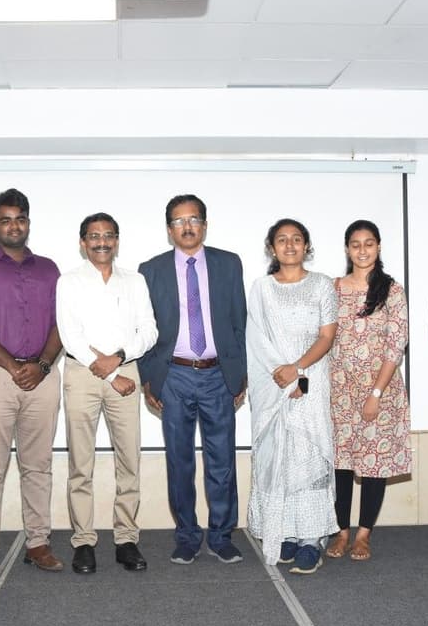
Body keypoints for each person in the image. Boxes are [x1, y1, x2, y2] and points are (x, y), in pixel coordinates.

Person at [0, 189, 65, 580]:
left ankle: (38, 542)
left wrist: (40, 364)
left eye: (20, 218)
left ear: (28, 222)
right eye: (5, 220)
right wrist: (11, 365)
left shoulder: (49, 269)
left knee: (38, 465)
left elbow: (61, 325)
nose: (13, 225)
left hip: (42, 376)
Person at [139, 194, 248, 565]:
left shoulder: (228, 264)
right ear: (169, 229)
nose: (187, 227)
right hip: (174, 376)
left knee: (222, 461)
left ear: (205, 223)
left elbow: (238, 321)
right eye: (178, 221)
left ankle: (221, 536)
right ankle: (186, 537)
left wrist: (239, 375)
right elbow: (146, 329)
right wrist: (148, 379)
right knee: (179, 461)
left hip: (218, 374)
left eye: (194, 219)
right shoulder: (150, 270)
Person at [56, 213, 158, 574]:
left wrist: (119, 359)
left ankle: (126, 539)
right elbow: (70, 335)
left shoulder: (135, 280)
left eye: (109, 235)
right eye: (94, 236)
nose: (102, 241)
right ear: (82, 242)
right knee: (80, 464)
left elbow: (149, 330)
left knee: (128, 460)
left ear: (117, 240)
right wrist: (110, 371)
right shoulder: (68, 281)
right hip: (82, 372)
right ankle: (83, 541)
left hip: (126, 369)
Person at [246, 219, 338, 573]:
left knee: (309, 456)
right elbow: (256, 339)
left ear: (306, 246)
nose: (289, 246)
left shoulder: (321, 285)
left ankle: (312, 538)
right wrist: (283, 376)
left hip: (311, 379)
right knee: (276, 456)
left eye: (296, 240)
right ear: (272, 248)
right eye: (282, 240)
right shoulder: (262, 288)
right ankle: (283, 530)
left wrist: (297, 370)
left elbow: (326, 337)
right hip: (273, 383)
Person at [327, 220, 411, 562]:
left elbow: (396, 345)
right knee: (342, 463)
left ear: (378, 247)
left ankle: (363, 534)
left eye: (369, 243)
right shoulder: (332, 288)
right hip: (340, 389)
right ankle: (341, 530)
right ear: (347, 249)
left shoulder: (392, 291)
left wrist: (376, 394)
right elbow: (323, 336)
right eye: (356, 244)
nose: (362, 250)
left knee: (373, 465)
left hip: (381, 390)